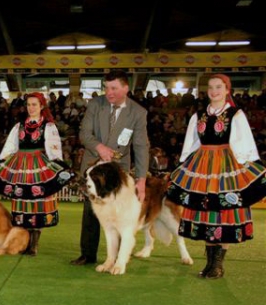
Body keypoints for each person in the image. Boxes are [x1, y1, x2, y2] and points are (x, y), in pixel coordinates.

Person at [166, 74, 266, 279]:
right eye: (211, 87)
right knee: (206, 209)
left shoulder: (235, 114)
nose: (214, 91)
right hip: (203, 164)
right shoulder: (198, 115)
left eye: (219, 87)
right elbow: (192, 142)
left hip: (226, 164)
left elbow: (244, 142)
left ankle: (218, 264)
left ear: (227, 89)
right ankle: (210, 263)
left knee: (225, 210)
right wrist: (185, 163)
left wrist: (246, 167)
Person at [71, 70, 149, 265]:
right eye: (106, 88)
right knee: (91, 211)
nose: (109, 92)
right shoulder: (95, 104)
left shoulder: (138, 113)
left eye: (114, 88)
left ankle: (118, 258)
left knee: (120, 214)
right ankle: (87, 254)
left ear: (125, 88)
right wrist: (99, 147)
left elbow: (140, 146)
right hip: (93, 165)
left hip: (118, 173)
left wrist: (141, 179)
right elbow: (84, 134)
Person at [0, 92, 72, 255]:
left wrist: (58, 167)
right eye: (29, 104)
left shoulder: (49, 126)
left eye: (34, 104)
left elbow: (54, 149)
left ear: (42, 106)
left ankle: (34, 245)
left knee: (38, 201)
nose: (31, 108)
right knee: (22, 201)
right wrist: (0, 162)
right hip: (20, 165)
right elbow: (10, 147)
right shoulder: (19, 126)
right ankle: (25, 242)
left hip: (38, 165)